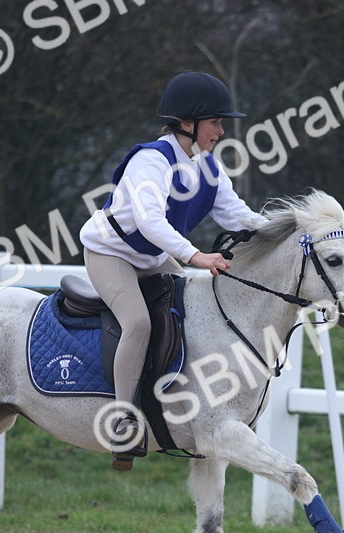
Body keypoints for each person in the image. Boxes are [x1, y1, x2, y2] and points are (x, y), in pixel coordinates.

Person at [78, 71, 266, 454]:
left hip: (153, 256)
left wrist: (288, 234)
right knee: (138, 322)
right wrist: (195, 256)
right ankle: (123, 418)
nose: (221, 131)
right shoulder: (150, 160)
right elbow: (149, 222)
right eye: (216, 122)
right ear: (187, 123)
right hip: (110, 254)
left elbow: (239, 217)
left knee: (193, 311)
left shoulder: (209, 167)